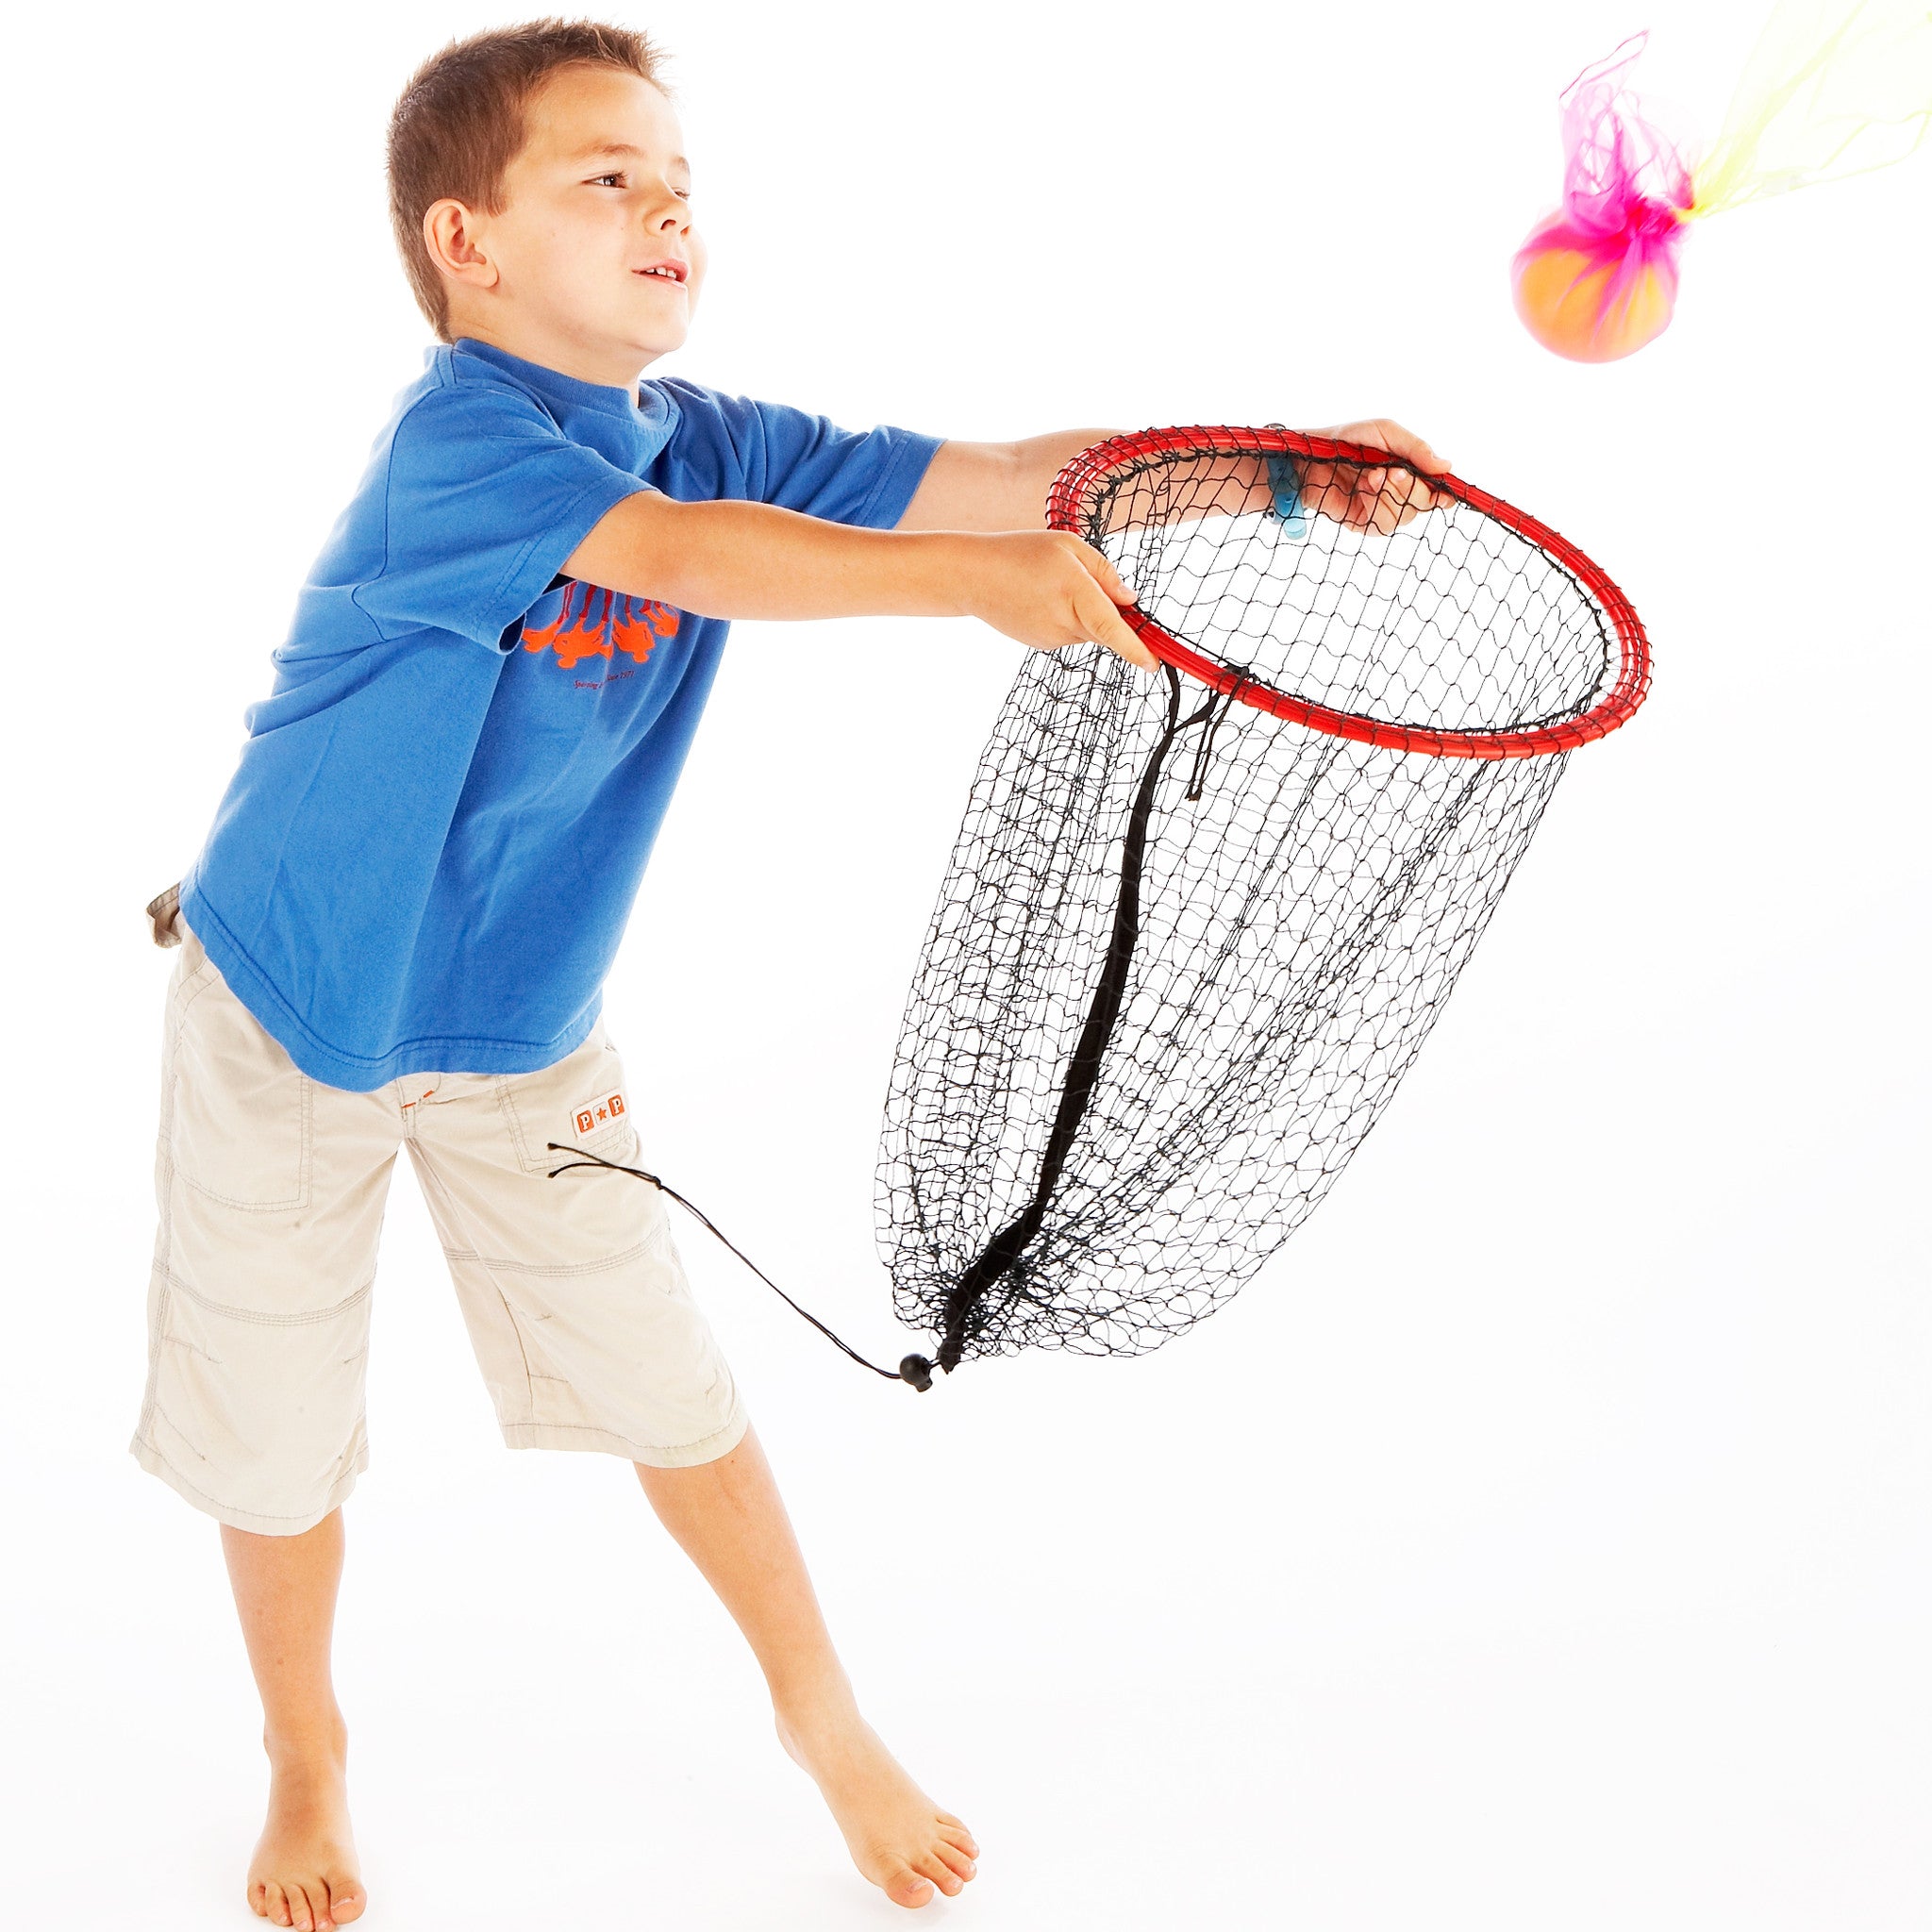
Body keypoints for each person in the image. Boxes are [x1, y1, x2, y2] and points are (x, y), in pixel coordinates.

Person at [133, 21, 1445, 1930]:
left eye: (678, 180)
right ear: (467, 245)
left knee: (672, 1389)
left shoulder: (711, 429)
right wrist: (966, 594)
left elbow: (1005, 473)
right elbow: (689, 558)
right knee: (271, 1415)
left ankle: (823, 1721)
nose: (666, 205)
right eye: (606, 177)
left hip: (516, 1031)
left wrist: (1284, 474)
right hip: (284, 1010)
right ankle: (304, 1744)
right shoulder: (461, 444)